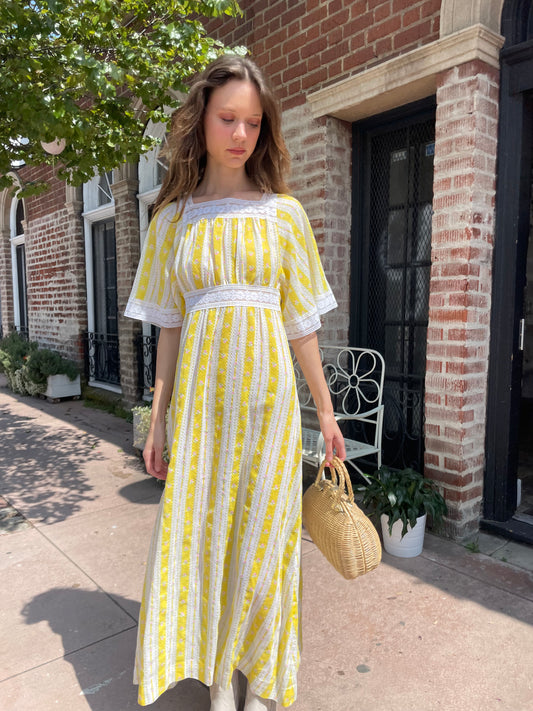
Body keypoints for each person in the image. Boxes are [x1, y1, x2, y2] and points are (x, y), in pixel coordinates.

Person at [125, 54, 346, 710]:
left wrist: (328, 416)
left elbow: (302, 325)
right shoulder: (171, 220)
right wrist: (156, 418)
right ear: (202, 120)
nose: (240, 134)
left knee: (266, 536)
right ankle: (221, 678)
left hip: (269, 408)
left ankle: (261, 681)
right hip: (199, 413)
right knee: (202, 536)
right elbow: (167, 326)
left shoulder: (285, 215)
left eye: (253, 121)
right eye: (228, 118)